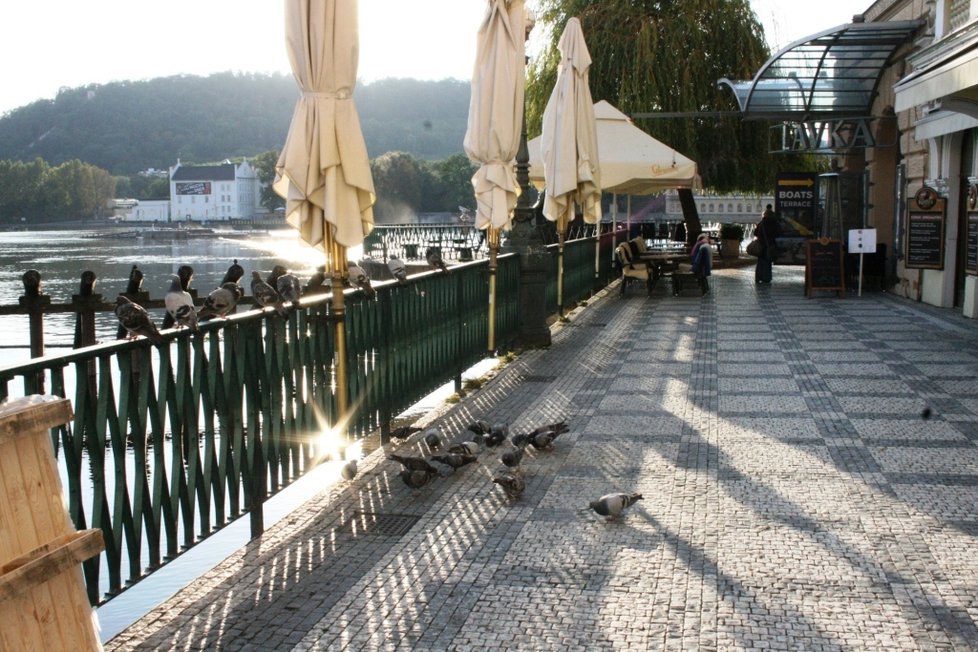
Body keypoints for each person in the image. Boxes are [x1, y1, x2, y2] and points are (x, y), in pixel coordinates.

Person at [754, 204, 781, 284]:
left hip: (761, 245)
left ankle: (758, 277)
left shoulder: (761, 223)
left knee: (760, 262)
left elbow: (755, 233)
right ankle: (766, 278)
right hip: (770, 245)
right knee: (768, 262)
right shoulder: (774, 223)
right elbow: (778, 233)